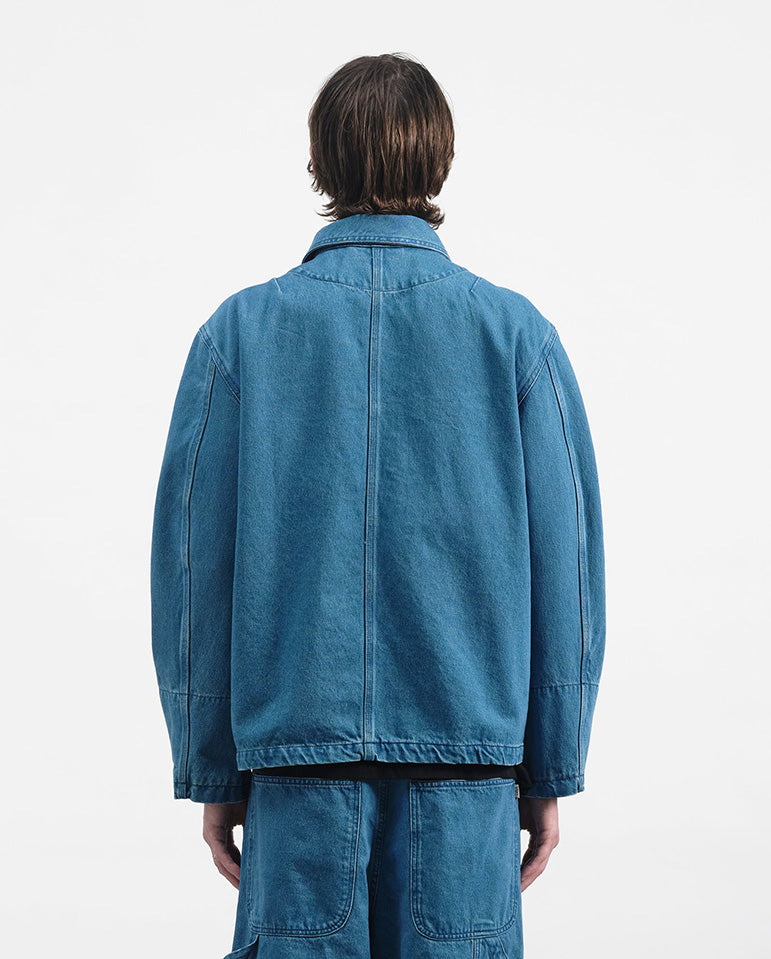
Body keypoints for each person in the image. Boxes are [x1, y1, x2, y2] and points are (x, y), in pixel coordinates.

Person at [151, 51, 606, 959]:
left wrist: (212, 767)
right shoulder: (516, 335)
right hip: (467, 776)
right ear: (440, 160)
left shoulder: (240, 332)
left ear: (319, 162)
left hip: (295, 772)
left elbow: (192, 569)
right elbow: (568, 572)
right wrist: (549, 764)